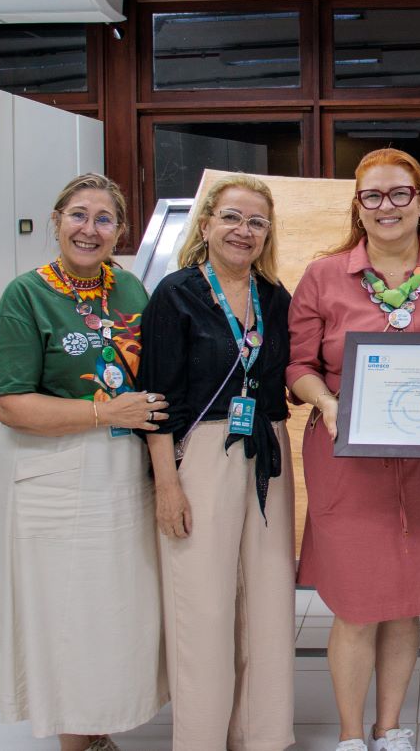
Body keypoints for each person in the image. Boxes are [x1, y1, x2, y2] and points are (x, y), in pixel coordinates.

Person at [288, 148, 420, 751]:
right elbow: (297, 366)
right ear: (358, 206)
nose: (387, 206)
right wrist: (326, 403)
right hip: (346, 462)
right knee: (355, 603)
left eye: (400, 193)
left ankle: (390, 727)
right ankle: (352, 735)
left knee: (406, 602)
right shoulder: (323, 277)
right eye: (372, 196)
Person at [0, 173, 170, 751]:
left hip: (120, 474)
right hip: (52, 477)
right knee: (64, 614)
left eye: (104, 219)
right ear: (57, 220)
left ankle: (97, 730)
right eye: (78, 215)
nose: (90, 229)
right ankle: (75, 740)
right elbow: (8, 403)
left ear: (120, 230)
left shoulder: (130, 289)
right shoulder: (26, 295)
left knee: (109, 610)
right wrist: (102, 411)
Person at [137, 174, 296, 751]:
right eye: (231, 217)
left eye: (256, 222)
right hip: (199, 456)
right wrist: (167, 486)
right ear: (205, 225)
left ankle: (262, 736)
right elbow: (156, 400)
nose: (243, 231)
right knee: (202, 607)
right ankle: (201, 739)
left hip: (268, 452)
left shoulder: (274, 296)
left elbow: (296, 372)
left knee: (269, 602)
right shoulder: (175, 294)